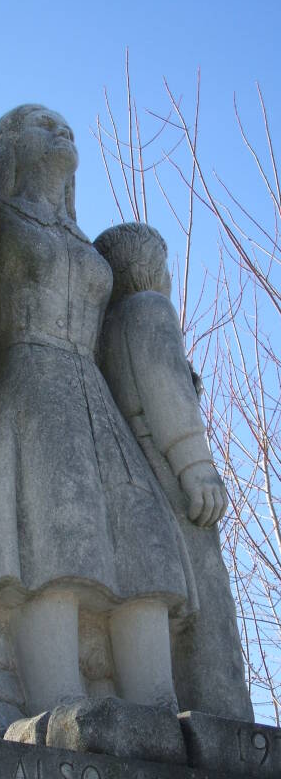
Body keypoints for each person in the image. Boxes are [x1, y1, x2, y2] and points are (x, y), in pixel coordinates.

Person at [0, 105, 198, 732]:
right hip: (28, 391)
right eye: (41, 122)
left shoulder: (83, 240)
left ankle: (155, 708)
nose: (59, 129)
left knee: (141, 547)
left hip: (92, 399)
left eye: (64, 122)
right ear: (9, 146)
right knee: (51, 551)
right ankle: (56, 706)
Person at [95, 222, 254, 722]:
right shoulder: (150, 310)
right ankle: (219, 711)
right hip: (170, 477)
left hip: (130, 479)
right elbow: (171, 401)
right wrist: (199, 469)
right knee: (205, 601)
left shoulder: (101, 329)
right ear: (149, 268)